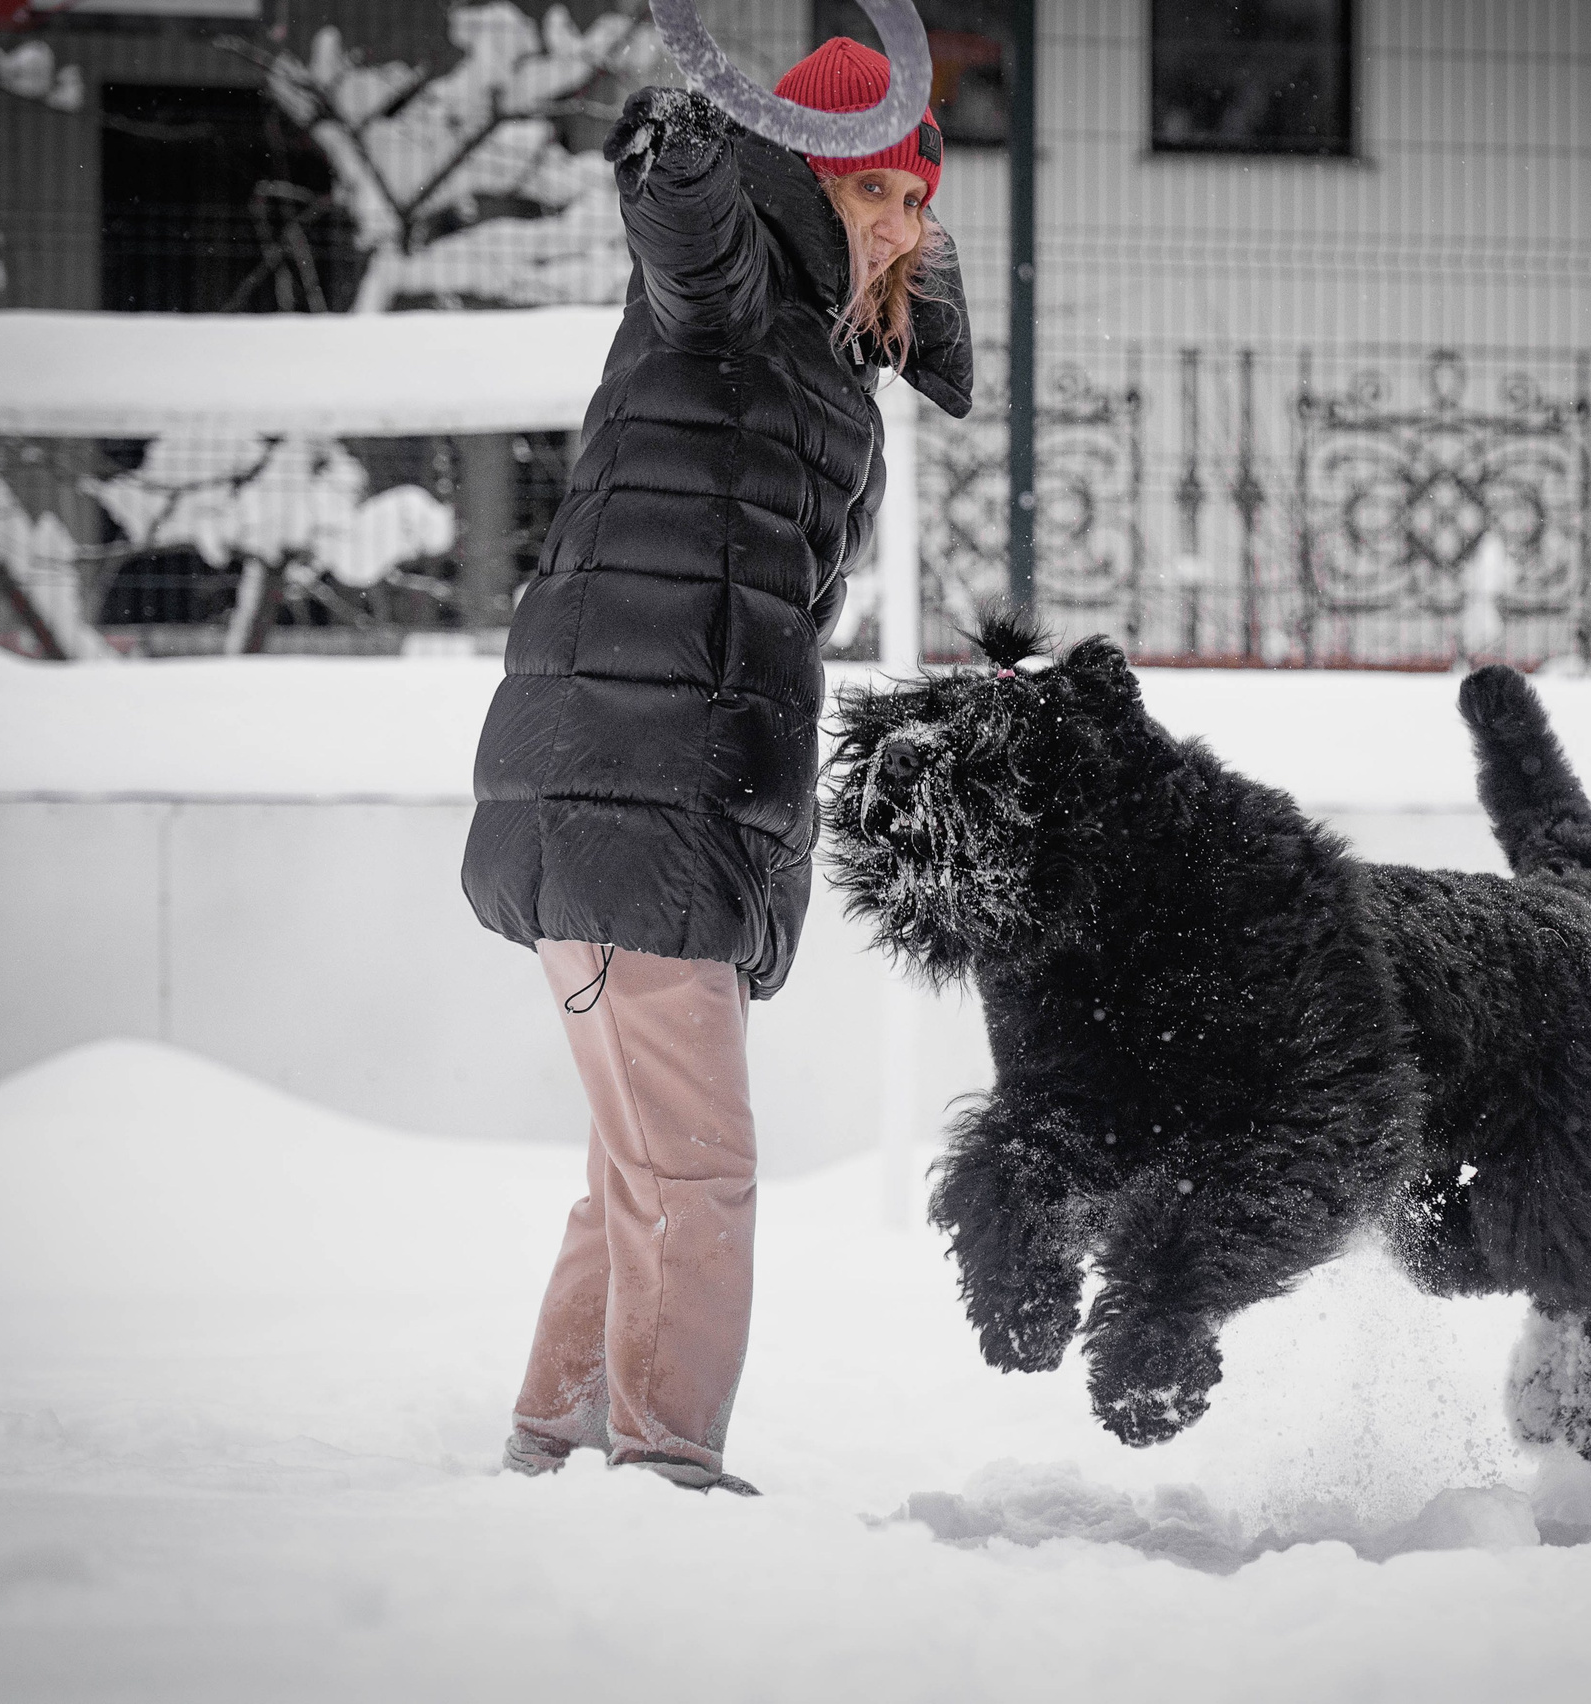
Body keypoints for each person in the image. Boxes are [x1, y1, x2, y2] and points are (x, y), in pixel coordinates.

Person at [462, 36, 973, 1494]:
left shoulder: (823, 356)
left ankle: (552, 1440)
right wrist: (673, 147)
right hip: (631, 783)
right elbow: (687, 236)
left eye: (915, 201)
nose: (898, 224)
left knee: (641, 1166)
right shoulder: (729, 302)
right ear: (804, 177)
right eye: (870, 188)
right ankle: (670, 1467)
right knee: (700, 1169)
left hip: (646, 788)